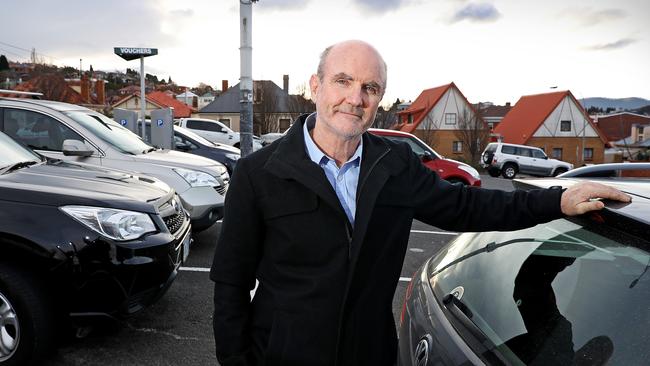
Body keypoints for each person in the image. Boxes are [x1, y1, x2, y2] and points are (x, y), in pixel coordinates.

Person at [210, 40, 630, 366]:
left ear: (380, 99)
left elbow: (469, 206)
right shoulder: (258, 174)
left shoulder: (393, 166)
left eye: (370, 88)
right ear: (315, 87)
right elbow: (230, 285)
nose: (355, 98)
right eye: (343, 81)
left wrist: (557, 201)